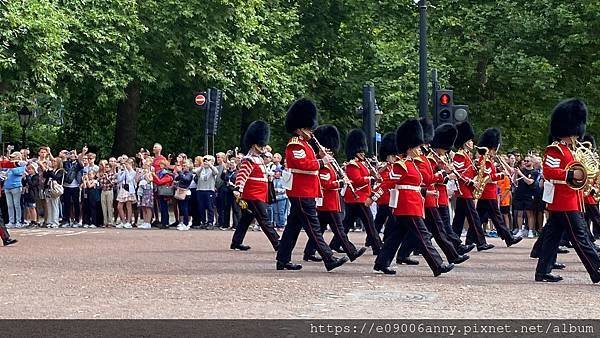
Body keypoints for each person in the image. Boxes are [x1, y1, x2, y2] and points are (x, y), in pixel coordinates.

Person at [373, 119, 454, 276]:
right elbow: (387, 183)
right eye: (417, 146)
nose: (420, 149)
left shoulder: (412, 164)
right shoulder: (400, 165)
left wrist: (443, 173)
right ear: (409, 148)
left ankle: (381, 263)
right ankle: (438, 265)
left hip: (412, 204)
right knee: (423, 236)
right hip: (407, 206)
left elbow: (424, 182)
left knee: (395, 237)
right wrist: (373, 197)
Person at [276, 98, 348, 271]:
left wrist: (320, 156)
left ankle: (282, 260)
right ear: (300, 129)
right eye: (308, 128)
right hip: (301, 191)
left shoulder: (306, 145)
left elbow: (309, 163)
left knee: (293, 227)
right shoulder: (295, 145)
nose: (311, 131)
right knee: (314, 227)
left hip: (305, 191)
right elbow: (303, 165)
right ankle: (329, 258)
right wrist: (322, 161)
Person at [534, 98, 600, 283]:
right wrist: (572, 174)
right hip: (564, 201)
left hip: (572, 199)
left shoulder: (573, 150)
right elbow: (548, 171)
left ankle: (542, 272)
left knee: (552, 238)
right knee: (581, 238)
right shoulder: (556, 150)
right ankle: (596, 269)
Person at [397, 118, 471, 265]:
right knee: (433, 231)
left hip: (427, 199)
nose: (426, 146)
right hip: (425, 199)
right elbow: (426, 179)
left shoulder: (425, 158)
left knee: (420, 232)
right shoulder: (419, 159)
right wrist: (444, 173)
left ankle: (397, 256)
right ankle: (451, 256)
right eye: (423, 144)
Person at [303, 125, 367, 262]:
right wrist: (341, 183)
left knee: (319, 230)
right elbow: (325, 184)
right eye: (328, 150)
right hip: (328, 203)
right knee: (339, 230)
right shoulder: (323, 166)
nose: (330, 153)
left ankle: (309, 252)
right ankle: (351, 252)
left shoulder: (331, 165)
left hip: (330, 203)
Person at [230, 120, 280, 251]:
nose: (263, 146)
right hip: (253, 195)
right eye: (260, 144)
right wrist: (238, 188)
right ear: (254, 144)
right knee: (264, 220)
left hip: (259, 194)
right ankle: (278, 243)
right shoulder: (249, 159)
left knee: (246, 218)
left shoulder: (258, 158)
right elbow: (242, 175)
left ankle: (236, 242)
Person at [470, 128, 523, 247]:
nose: (494, 151)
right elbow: (488, 177)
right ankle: (508, 238)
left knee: (478, 217)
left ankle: (471, 240)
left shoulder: (488, 160)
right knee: (497, 217)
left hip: (488, 192)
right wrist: (501, 174)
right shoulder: (484, 160)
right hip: (488, 192)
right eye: (493, 149)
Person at [333, 129, 382, 255]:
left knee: (346, 224)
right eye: (360, 151)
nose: (363, 153)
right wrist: (371, 178)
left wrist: (373, 174)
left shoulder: (362, 163)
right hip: (358, 198)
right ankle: (378, 247)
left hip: (359, 198)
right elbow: (357, 180)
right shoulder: (352, 165)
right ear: (355, 152)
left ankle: (335, 243)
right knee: (370, 224)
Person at [451, 122, 494, 251]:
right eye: (470, 141)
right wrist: (471, 181)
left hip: (467, 191)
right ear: (464, 142)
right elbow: (458, 173)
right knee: (474, 218)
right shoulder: (459, 155)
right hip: (465, 190)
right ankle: (480, 242)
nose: (472, 143)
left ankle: (454, 244)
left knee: (458, 220)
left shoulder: (467, 156)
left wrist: (480, 171)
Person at [512, 155, 541, 237]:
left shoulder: (534, 172)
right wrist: (515, 174)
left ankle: (531, 230)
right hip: (520, 193)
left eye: (527, 161)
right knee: (519, 213)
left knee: (530, 213)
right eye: (524, 161)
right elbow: (515, 182)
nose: (525, 162)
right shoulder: (521, 170)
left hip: (529, 194)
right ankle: (520, 230)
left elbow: (530, 182)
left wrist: (520, 174)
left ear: (532, 162)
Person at [3, 152, 26, 228]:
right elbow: (3, 169)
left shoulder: (21, 165)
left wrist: (12, 165)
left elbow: (17, 172)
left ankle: (19, 221)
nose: (11, 159)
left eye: (13, 157)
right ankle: (11, 221)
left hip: (16, 186)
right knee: (9, 205)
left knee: (17, 205)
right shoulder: (10, 166)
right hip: (7, 186)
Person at [196, 155, 218, 229]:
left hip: (209, 190)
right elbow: (196, 172)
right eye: (205, 160)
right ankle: (203, 222)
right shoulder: (201, 169)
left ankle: (210, 222)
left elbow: (216, 172)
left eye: (208, 160)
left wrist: (210, 165)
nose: (206, 162)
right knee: (201, 207)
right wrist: (202, 166)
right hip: (200, 190)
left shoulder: (212, 169)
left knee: (210, 207)